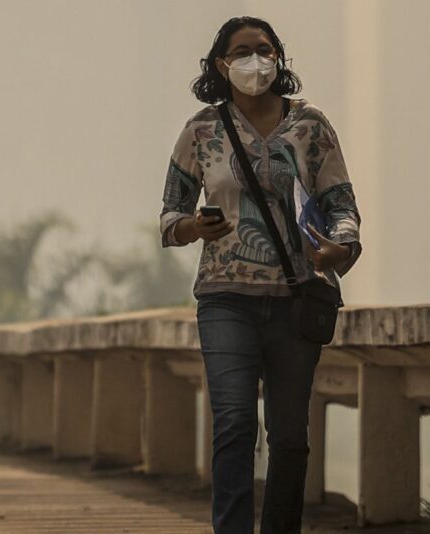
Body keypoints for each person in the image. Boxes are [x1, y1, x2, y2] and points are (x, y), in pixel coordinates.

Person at [159, 17, 362, 534]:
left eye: (265, 49)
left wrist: (340, 247)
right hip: (226, 298)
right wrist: (194, 227)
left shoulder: (311, 125)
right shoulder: (200, 130)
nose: (256, 60)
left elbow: (341, 204)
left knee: (291, 435)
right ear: (221, 65)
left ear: (279, 58)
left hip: (298, 300)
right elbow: (169, 216)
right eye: (243, 51)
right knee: (234, 423)